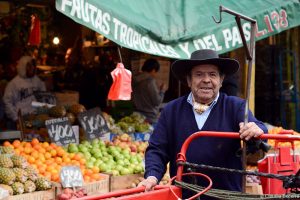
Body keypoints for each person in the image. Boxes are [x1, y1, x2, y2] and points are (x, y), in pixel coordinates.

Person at [139, 49, 268, 199]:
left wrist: (255, 130)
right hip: (184, 196)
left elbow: (259, 132)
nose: (206, 80)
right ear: (189, 80)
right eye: (199, 74)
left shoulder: (235, 106)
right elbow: (157, 149)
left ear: (221, 80)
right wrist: (152, 176)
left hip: (226, 196)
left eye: (212, 74)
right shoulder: (171, 110)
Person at [3, 55, 46, 128]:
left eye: (33, 66)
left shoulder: (37, 80)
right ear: (22, 67)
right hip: (21, 118)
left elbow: (44, 96)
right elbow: (7, 102)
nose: (32, 68)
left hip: (37, 117)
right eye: (29, 66)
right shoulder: (14, 83)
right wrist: (15, 118)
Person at [132, 58, 167, 124]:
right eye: (156, 72)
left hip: (136, 116)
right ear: (153, 70)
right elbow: (157, 102)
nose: (155, 74)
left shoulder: (135, 79)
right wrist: (162, 90)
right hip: (149, 118)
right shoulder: (150, 81)